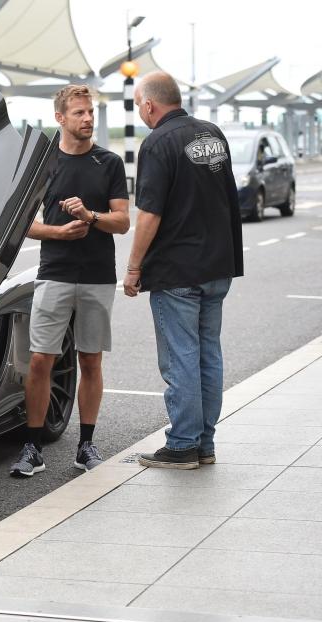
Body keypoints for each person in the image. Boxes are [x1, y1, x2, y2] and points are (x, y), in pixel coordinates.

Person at [123, 71, 244, 470]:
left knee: (181, 358)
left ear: (149, 104)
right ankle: (204, 443)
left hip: (177, 271)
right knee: (208, 354)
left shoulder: (157, 142)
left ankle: (182, 445)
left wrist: (134, 267)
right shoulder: (212, 134)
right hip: (217, 265)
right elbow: (229, 199)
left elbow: (150, 214)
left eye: (139, 104)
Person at [10, 85, 130, 478]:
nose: (87, 119)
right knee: (41, 360)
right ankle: (33, 448)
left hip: (97, 276)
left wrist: (91, 216)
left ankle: (86, 445)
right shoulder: (45, 164)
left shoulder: (108, 162)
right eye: (79, 112)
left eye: (90, 112)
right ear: (60, 118)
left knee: (90, 360)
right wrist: (59, 233)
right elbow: (22, 223)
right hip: (55, 273)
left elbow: (123, 221)